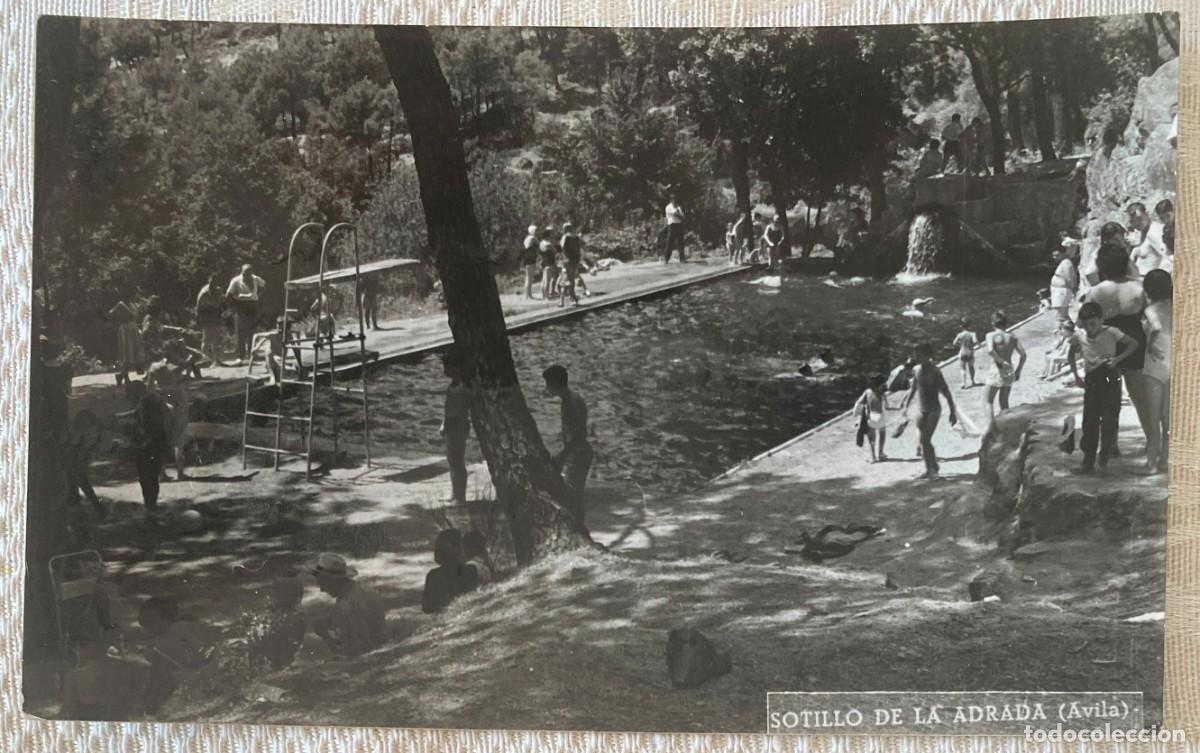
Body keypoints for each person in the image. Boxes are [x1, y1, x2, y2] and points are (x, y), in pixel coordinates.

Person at [1081, 243, 1148, 462]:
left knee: (1109, 398)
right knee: (1139, 395)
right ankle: (1151, 439)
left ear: (1103, 266)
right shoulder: (1139, 287)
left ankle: (1112, 444)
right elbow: (1150, 316)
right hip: (1135, 343)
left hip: (1106, 345)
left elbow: (1083, 321)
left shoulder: (1097, 291)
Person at [1068, 302, 1139, 474]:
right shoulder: (1079, 336)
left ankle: (1104, 459)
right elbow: (1071, 354)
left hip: (1109, 376)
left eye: (1093, 323)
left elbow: (1133, 344)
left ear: (1101, 320)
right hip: (1092, 379)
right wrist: (1076, 375)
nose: (1089, 328)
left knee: (1109, 419)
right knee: (1089, 420)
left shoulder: (1112, 332)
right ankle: (1088, 460)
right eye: (1085, 325)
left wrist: (1117, 360)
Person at [898, 343, 958, 480]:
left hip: (933, 410)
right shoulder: (916, 370)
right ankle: (929, 469)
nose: (917, 357)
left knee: (925, 440)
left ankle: (934, 470)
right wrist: (905, 407)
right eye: (916, 355)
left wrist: (952, 412)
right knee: (922, 440)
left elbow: (947, 392)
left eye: (920, 355)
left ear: (928, 356)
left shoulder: (935, 372)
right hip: (921, 408)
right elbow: (913, 389)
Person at [310, 553, 387, 657]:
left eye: (322, 583)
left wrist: (324, 634)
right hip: (384, 649)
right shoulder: (367, 589)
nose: (321, 589)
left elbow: (354, 655)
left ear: (332, 581)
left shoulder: (344, 607)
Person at [543, 365, 593, 524]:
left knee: (573, 497)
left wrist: (562, 456)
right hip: (578, 452)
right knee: (574, 496)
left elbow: (580, 434)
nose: (546, 388)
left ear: (555, 383)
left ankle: (579, 529)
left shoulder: (570, 404)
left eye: (548, 384)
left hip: (578, 454)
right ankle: (579, 528)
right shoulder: (572, 398)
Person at [115, 388, 170, 516]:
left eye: (129, 395)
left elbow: (146, 428)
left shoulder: (146, 407)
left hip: (148, 447)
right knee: (152, 478)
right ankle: (151, 505)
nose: (129, 399)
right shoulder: (148, 403)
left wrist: (137, 443)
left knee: (146, 479)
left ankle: (150, 506)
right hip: (156, 446)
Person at [1140, 269, 1172, 474]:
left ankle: (1151, 463)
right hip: (1173, 361)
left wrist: (1150, 343)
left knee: (1153, 418)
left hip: (1154, 365)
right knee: (1168, 418)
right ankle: (1165, 459)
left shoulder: (1150, 310)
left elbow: (1157, 327)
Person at [146, 341, 193, 481]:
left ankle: (161, 474)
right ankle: (180, 472)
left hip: (164, 402)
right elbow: (196, 359)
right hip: (179, 400)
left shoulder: (155, 367)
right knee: (179, 438)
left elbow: (149, 389)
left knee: (163, 439)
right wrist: (185, 349)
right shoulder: (179, 365)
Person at [245, 576, 308, 671]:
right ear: (298, 599)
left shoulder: (261, 617)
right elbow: (290, 651)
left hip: (256, 665)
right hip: (278, 669)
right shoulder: (296, 622)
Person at [982, 311, 1027, 428]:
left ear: (993, 323)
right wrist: (1018, 371)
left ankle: (991, 428)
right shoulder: (1012, 337)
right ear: (1006, 323)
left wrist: (1001, 361)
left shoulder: (991, 335)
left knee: (987, 401)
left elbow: (990, 350)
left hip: (997, 369)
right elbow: (1023, 355)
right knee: (1004, 402)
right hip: (1010, 371)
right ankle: (1007, 427)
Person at [62, 409, 106, 519]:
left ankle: (95, 508)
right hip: (71, 460)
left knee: (79, 483)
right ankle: (94, 509)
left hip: (75, 459)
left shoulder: (83, 434)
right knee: (77, 484)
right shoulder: (76, 435)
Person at [441, 346, 471, 504]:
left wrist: (449, 423)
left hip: (457, 426)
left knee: (457, 461)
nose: (445, 370)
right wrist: (443, 423)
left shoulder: (461, 387)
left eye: (447, 367)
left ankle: (461, 496)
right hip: (451, 426)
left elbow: (460, 410)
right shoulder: (454, 384)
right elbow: (448, 409)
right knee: (452, 460)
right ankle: (455, 492)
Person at [225, 264, 266, 364]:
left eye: (248, 273)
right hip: (241, 306)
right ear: (241, 272)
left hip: (253, 305)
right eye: (244, 273)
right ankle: (240, 356)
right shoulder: (236, 280)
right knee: (241, 332)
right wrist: (234, 305)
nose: (246, 275)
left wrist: (258, 296)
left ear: (251, 272)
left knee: (253, 330)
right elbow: (228, 295)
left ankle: (252, 354)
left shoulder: (255, 279)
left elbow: (264, 285)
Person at [852, 374, 890, 463]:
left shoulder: (867, 392)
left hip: (872, 416)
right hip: (881, 416)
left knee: (871, 438)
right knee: (882, 433)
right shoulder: (882, 392)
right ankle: (881, 453)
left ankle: (873, 457)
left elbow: (859, 402)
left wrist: (857, 414)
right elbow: (887, 405)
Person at [195, 274, 229, 368]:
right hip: (206, 315)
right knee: (206, 338)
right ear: (209, 281)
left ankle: (216, 360)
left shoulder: (218, 290)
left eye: (215, 282)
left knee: (216, 338)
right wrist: (198, 317)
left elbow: (222, 302)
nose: (213, 284)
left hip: (215, 315)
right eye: (211, 282)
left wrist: (223, 309)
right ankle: (204, 360)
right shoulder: (204, 292)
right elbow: (199, 304)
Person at [107, 300, 144, 385]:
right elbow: (112, 312)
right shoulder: (123, 304)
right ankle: (122, 376)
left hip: (132, 328)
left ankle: (123, 376)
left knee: (132, 355)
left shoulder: (133, 304)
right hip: (126, 329)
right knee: (127, 355)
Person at [1127, 202, 1168, 276]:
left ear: (1147, 214)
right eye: (1132, 221)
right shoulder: (1138, 234)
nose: (1136, 223)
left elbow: (1168, 258)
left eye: (1139, 218)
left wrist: (1158, 279)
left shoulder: (1155, 232)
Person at [1049, 239, 1081, 321]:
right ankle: (1066, 329)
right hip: (1059, 291)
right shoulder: (1065, 262)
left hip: (1061, 292)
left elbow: (1069, 278)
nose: (1054, 257)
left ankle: (1067, 330)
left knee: (1061, 315)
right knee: (1060, 314)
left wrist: (1073, 291)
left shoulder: (1067, 262)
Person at [559, 222, 589, 306]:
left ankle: (563, 302)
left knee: (565, 280)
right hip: (575, 260)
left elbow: (561, 246)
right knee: (571, 279)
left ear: (564, 229)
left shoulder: (565, 237)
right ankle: (574, 299)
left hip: (567, 260)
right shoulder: (576, 237)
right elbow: (584, 244)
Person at [952, 319, 979, 389]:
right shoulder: (972, 334)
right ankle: (973, 381)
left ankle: (963, 383)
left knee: (963, 368)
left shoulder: (960, 335)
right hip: (970, 351)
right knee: (971, 367)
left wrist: (960, 345)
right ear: (969, 326)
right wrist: (979, 345)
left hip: (963, 350)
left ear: (961, 326)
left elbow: (954, 343)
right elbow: (975, 341)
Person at [140, 296, 166, 364]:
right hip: (152, 344)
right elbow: (147, 332)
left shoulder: (153, 319)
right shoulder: (150, 320)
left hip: (154, 343)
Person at [662, 193, 687, 264]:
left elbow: (682, 216)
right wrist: (681, 216)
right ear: (671, 200)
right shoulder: (668, 207)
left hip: (679, 225)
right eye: (673, 199)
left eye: (675, 199)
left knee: (681, 243)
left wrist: (681, 217)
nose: (675, 200)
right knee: (670, 242)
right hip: (672, 226)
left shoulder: (678, 207)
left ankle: (682, 258)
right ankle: (666, 258)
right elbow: (676, 215)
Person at [538, 228, 559, 301]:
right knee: (548, 280)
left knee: (544, 280)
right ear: (547, 236)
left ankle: (544, 295)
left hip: (544, 262)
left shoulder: (541, 243)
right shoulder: (548, 244)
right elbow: (555, 251)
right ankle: (547, 296)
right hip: (550, 263)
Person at [522, 224, 540, 299]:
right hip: (530, 259)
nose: (536, 231)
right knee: (529, 277)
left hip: (528, 259)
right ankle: (528, 295)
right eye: (535, 230)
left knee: (529, 277)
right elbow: (536, 244)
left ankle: (528, 295)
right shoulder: (532, 238)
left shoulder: (527, 238)